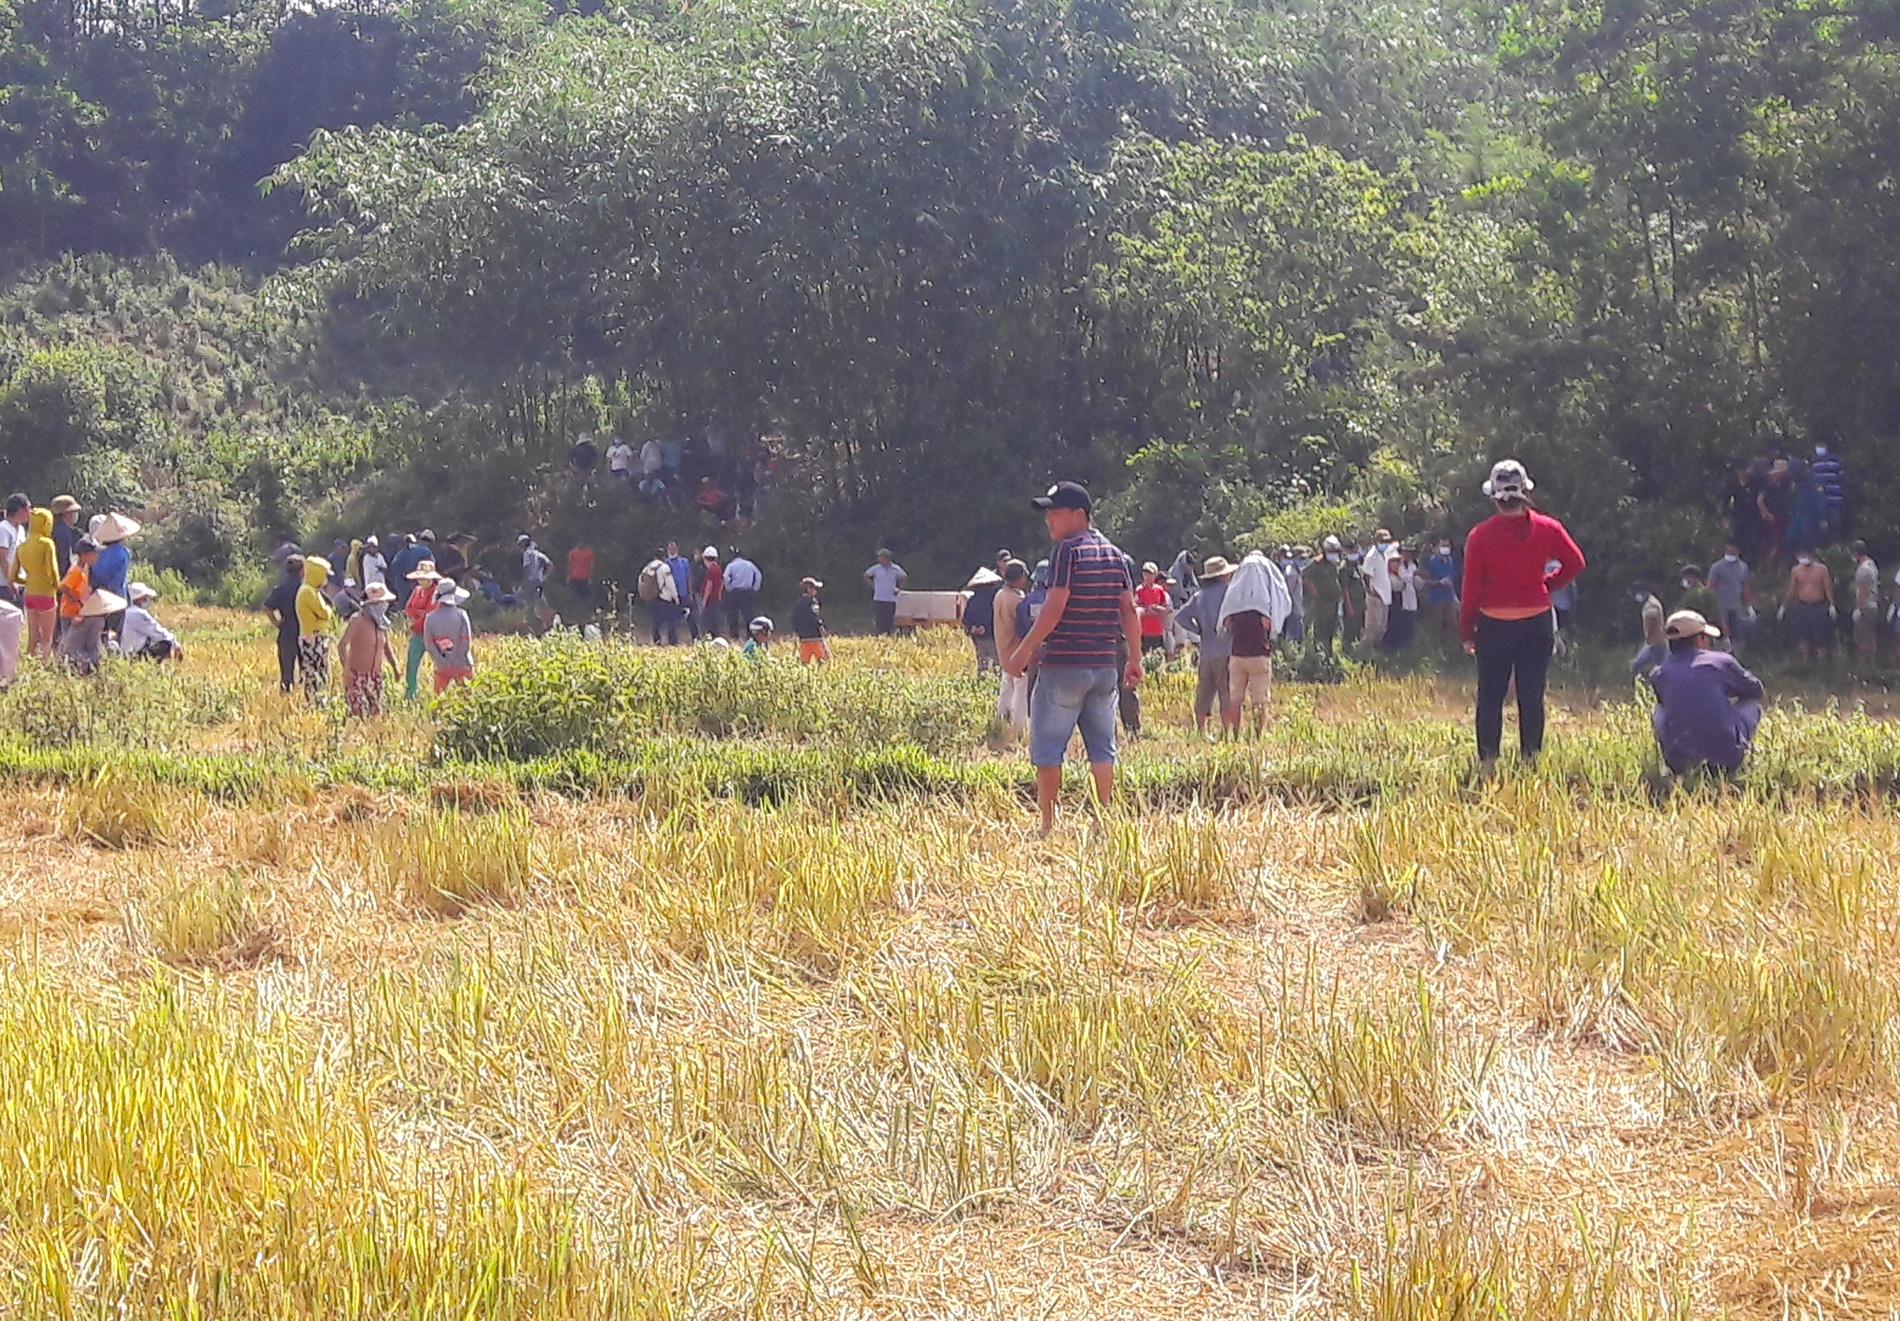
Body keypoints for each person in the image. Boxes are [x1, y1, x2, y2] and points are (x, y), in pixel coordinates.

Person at [1003, 482, 1143, 837]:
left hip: (1064, 665)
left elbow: (1054, 607)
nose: (1049, 519)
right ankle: (1101, 822)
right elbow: (1128, 609)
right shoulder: (1114, 554)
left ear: (1079, 515)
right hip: (1104, 666)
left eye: (1056, 512)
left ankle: (1048, 825)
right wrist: (1135, 658)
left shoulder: (1066, 552)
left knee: (1048, 749)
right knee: (1103, 749)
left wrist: (1023, 651)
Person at [1459, 459, 1586, 767]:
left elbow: (1471, 589)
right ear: (1525, 491)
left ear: (1493, 496)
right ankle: (1531, 760)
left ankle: (1489, 761)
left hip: (1494, 623)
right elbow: (1576, 563)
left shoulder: (1480, 535)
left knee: (1490, 696)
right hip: (1536, 621)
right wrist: (1546, 585)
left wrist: (1466, 631)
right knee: (1531, 695)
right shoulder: (1548, 527)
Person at [1649, 611, 1765, 777]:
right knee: (1750, 705)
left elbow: (1666, 702)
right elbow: (1756, 690)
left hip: (1680, 763)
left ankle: (1679, 761)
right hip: (1727, 757)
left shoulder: (1659, 673)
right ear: (1700, 639)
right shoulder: (1720, 662)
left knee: (1659, 711)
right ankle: (1737, 756)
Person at [1218, 550, 1292, 737]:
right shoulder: (1264, 609)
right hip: (1259, 654)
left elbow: (1225, 623)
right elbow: (1272, 623)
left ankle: (1235, 734)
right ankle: (1258, 735)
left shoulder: (1234, 605)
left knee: (1235, 698)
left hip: (1237, 655)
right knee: (1260, 699)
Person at [1175, 555, 1236, 735]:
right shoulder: (1230, 592)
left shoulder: (1199, 595)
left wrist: (1199, 630)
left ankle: (1201, 730)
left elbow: (1180, 616)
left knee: (1204, 691)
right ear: (1223, 575)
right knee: (1226, 692)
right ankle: (1227, 732)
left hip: (1206, 650)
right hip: (1226, 648)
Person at [336, 582, 399, 715]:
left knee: (375, 715)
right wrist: (346, 670)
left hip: (375, 677)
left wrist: (395, 667)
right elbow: (342, 644)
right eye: (381, 602)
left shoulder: (380, 623)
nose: (384, 605)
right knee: (358, 714)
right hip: (357, 676)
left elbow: (386, 646)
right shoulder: (357, 620)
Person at [13, 506, 58, 658]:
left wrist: (27, 580)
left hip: (30, 593)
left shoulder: (22, 546)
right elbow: (52, 571)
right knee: (47, 637)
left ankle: (29, 662)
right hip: (46, 593)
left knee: (33, 636)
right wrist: (57, 586)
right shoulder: (47, 543)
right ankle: (44, 665)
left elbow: (13, 576)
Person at [993, 561, 1029, 738]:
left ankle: (1002, 718)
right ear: (1020, 577)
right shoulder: (1016, 600)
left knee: (1007, 684)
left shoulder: (1000, 594)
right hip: (1016, 649)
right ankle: (1020, 725)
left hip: (1003, 647)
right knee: (1022, 685)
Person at [1780, 548, 1836, 661]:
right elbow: (1792, 590)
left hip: (1818, 605)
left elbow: (1827, 587)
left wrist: (1832, 604)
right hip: (1803, 605)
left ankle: (1823, 662)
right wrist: (1783, 606)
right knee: (1803, 636)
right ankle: (1804, 662)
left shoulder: (1822, 569)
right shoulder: (1796, 570)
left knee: (1820, 636)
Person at [424, 576, 475, 692]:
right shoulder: (461, 614)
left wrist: (442, 663)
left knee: (439, 699)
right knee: (467, 697)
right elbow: (466, 641)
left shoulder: (430, 617)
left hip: (441, 666)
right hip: (463, 663)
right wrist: (456, 660)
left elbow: (429, 645)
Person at [295, 556, 335, 703]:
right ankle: (315, 702)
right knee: (315, 674)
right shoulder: (308, 592)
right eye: (324, 575)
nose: (326, 579)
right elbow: (325, 613)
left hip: (316, 637)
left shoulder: (312, 590)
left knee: (320, 673)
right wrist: (328, 610)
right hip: (313, 639)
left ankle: (318, 701)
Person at [262, 553, 304, 693]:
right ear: (302, 570)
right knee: (307, 670)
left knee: (287, 670)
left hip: (287, 630)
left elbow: (267, 607)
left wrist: (276, 622)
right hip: (305, 630)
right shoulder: (305, 588)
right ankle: (305, 697)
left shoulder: (280, 588)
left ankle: (286, 695)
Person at [91, 512, 136, 636]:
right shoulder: (123, 553)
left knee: (99, 631)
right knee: (115, 632)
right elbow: (118, 580)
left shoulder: (96, 553)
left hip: (98, 596)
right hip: (117, 597)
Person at [58, 588, 123, 676]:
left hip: (65, 654)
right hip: (77, 657)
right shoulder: (98, 620)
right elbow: (93, 644)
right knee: (112, 647)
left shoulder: (84, 617)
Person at [1706, 541, 1753, 651]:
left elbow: (1745, 587)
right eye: (1729, 550)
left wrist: (1749, 606)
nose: (1731, 552)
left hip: (1737, 607)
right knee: (1723, 634)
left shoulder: (1743, 567)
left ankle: (1737, 655)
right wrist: (1710, 605)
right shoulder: (1717, 567)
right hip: (1721, 606)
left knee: (1738, 635)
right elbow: (1710, 587)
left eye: (1733, 550)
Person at [402, 563, 438, 700]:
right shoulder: (417, 590)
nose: (420, 580)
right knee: (411, 664)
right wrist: (419, 614)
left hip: (432, 634)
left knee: (439, 664)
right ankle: (410, 694)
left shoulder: (436, 592)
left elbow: (431, 612)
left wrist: (417, 618)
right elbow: (408, 608)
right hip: (417, 634)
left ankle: (438, 694)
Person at [1303, 537, 1345, 655]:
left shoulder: (1335, 562)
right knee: (1321, 626)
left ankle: (1329, 652)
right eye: (1331, 551)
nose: (1333, 553)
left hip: (1334, 601)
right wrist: (1315, 592)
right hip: (1321, 601)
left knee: (1332, 626)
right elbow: (1306, 578)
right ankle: (1318, 652)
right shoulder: (1316, 563)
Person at [120, 583, 182, 661]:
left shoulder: (126, 611)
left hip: (124, 652)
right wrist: (175, 644)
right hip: (135, 653)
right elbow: (157, 631)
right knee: (167, 645)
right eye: (144, 598)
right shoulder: (139, 613)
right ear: (138, 599)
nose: (146, 600)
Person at [963, 567, 1004, 673]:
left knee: (982, 662)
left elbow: (965, 618)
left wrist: (972, 628)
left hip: (978, 637)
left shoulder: (972, 600)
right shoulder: (994, 598)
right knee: (997, 663)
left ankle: (982, 679)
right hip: (993, 636)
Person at [1360, 529, 1395, 651]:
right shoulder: (1372, 556)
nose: (1385, 543)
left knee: (1382, 627)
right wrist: (1370, 591)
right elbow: (1366, 575)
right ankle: (1365, 652)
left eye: (1387, 541)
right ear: (1375, 541)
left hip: (1384, 596)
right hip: (1376, 597)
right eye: (1382, 541)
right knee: (1372, 627)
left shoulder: (1385, 554)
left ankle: (1377, 651)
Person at [641, 549, 685, 644]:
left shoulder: (647, 568)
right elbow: (670, 584)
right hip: (664, 598)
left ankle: (656, 640)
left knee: (655, 621)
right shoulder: (664, 567)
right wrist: (676, 598)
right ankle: (672, 641)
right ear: (664, 557)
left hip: (652, 599)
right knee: (672, 621)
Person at [1384, 545, 1421, 652]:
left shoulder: (1411, 566)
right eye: (1393, 561)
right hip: (1395, 603)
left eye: (1397, 561)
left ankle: (1406, 649)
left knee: (1408, 626)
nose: (1395, 563)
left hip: (1408, 601)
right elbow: (1398, 585)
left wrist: (1417, 576)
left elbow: (1417, 584)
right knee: (1394, 626)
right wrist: (1409, 576)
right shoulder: (1388, 575)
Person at [1425, 536, 1459, 650]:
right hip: (1436, 599)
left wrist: (1455, 597)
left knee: (1453, 624)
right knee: (1436, 625)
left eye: (1447, 546)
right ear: (1436, 547)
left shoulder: (1450, 561)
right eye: (1443, 545)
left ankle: (1452, 649)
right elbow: (1426, 580)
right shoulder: (1432, 562)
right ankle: (1434, 649)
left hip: (1449, 598)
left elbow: (1451, 578)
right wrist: (1439, 582)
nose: (1446, 548)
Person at [864, 548, 908, 635]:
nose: (878, 559)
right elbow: (866, 575)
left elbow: (904, 576)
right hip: (878, 598)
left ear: (886, 558)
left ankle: (888, 635)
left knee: (889, 621)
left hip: (891, 599)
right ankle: (880, 635)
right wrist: (873, 586)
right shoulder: (876, 568)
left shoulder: (895, 568)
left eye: (880, 557)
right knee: (879, 620)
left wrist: (899, 588)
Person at [387, 531, 435, 607]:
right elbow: (431, 566)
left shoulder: (405, 550)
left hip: (401, 580)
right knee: (415, 603)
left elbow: (394, 565)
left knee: (402, 603)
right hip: (417, 581)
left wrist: (403, 574)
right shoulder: (427, 552)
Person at [1629, 583, 1668, 678]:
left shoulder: (1651, 605)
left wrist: (1647, 636)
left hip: (1655, 642)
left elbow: (1650, 622)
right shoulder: (1651, 602)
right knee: (1638, 664)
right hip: (1655, 641)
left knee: (1659, 668)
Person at [724, 548, 763, 637]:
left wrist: (729, 588)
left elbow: (725, 577)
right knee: (748, 614)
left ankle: (734, 634)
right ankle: (750, 633)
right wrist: (755, 588)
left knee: (733, 614)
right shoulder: (750, 564)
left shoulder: (731, 565)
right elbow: (758, 575)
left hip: (735, 592)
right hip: (748, 592)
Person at [1852, 542, 1880, 662]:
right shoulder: (1872, 564)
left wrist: (1859, 608)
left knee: (1863, 638)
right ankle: (1871, 662)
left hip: (1866, 607)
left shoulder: (1863, 569)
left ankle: (1865, 664)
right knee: (1870, 635)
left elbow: (1863, 590)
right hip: (1873, 604)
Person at [1135, 562, 1171, 657]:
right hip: (1144, 630)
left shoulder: (1159, 589)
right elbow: (1135, 607)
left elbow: (1165, 607)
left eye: (1150, 574)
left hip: (1157, 629)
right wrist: (1146, 609)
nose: (1147, 577)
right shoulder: (1139, 590)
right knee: (1145, 656)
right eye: (1145, 574)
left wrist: (1158, 609)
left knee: (1158, 656)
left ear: (1155, 575)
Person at [793, 576, 829, 664]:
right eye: (815, 588)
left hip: (804, 638)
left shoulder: (799, 603)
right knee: (823, 660)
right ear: (809, 589)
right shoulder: (812, 601)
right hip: (815, 636)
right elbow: (814, 615)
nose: (816, 591)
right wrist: (820, 626)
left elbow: (795, 619)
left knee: (804, 662)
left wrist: (798, 632)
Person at [0, 493, 29, 601]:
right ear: (20, 510)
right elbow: (3, 559)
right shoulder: (3, 528)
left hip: (20, 583)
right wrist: (10, 582)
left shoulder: (21, 529)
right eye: (28, 508)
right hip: (4, 586)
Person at [1339, 540, 1367, 650]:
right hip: (1351, 603)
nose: (1353, 552)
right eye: (1350, 550)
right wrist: (1349, 607)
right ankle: (1346, 650)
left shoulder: (1357, 565)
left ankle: (1356, 650)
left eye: (1355, 549)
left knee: (1358, 628)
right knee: (1349, 630)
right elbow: (1345, 589)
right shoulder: (1344, 568)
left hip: (1360, 602)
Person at [1812, 442, 1846, 532]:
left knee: (1835, 526)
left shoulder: (1835, 461)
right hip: (1820, 501)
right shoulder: (1813, 462)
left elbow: (1841, 477)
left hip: (1834, 500)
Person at [696, 546, 726, 638]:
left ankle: (708, 638)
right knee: (715, 621)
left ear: (705, 558)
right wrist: (719, 593)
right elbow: (722, 581)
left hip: (710, 600)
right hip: (715, 599)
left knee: (707, 622)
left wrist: (704, 601)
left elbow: (709, 586)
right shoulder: (718, 568)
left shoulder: (711, 569)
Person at [49, 495, 80, 581]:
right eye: (73, 512)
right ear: (65, 514)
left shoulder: (51, 526)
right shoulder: (62, 531)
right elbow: (63, 558)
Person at [518, 535, 551, 601]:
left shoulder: (527, 554)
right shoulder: (538, 553)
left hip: (531, 582)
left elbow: (527, 569)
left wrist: (523, 584)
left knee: (524, 599)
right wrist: (545, 576)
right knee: (540, 600)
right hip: (539, 581)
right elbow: (550, 564)